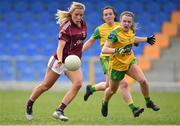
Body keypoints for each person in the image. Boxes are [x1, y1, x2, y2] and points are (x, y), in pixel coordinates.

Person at [25, 2, 87, 121]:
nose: (79, 17)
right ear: (71, 13)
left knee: (78, 83)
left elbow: (80, 42)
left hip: (72, 62)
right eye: (76, 15)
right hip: (60, 60)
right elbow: (60, 47)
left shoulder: (83, 24)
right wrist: (59, 60)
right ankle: (29, 103)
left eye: (81, 15)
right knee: (45, 86)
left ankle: (59, 110)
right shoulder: (66, 27)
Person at [83, 6, 144, 117]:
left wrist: (133, 42)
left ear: (114, 15)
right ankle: (133, 108)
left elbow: (130, 38)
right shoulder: (100, 29)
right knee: (123, 83)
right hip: (107, 58)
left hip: (121, 57)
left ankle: (91, 89)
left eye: (110, 14)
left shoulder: (121, 25)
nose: (108, 16)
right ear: (103, 17)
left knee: (108, 86)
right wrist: (79, 52)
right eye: (105, 14)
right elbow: (90, 42)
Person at [101, 11, 160, 117]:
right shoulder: (114, 33)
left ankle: (148, 102)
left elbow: (132, 38)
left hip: (129, 62)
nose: (126, 24)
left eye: (129, 22)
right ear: (120, 21)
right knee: (112, 90)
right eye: (124, 21)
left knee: (143, 81)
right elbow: (104, 49)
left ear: (131, 23)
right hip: (117, 66)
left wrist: (146, 39)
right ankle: (105, 102)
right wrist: (117, 50)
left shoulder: (130, 30)